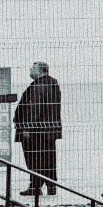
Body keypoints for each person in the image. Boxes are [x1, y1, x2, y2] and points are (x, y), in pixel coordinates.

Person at [13, 60, 62, 195]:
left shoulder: (39, 86)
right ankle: (50, 185)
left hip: (35, 131)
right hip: (48, 130)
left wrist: (26, 127)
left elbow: (34, 108)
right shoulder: (52, 84)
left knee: (34, 158)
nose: (30, 70)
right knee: (48, 158)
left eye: (33, 68)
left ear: (40, 71)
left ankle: (35, 186)